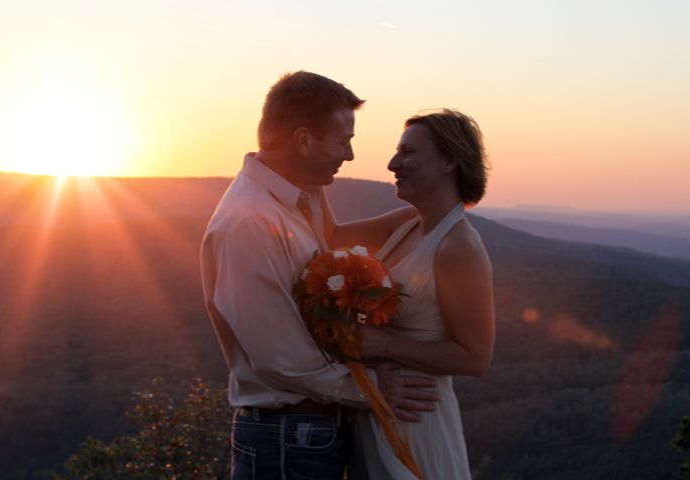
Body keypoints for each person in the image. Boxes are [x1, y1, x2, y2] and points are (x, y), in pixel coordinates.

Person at [200, 71, 438, 480]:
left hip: (303, 433)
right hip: (288, 436)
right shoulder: (250, 221)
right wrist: (374, 392)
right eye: (344, 141)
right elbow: (280, 359)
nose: (348, 156)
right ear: (304, 139)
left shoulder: (291, 202)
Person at [322, 109, 495, 479]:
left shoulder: (459, 247)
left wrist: (384, 346)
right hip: (379, 410)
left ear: (449, 160)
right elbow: (327, 236)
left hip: (416, 420)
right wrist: (314, 168)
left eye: (407, 152)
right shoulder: (406, 224)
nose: (392, 163)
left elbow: (475, 358)